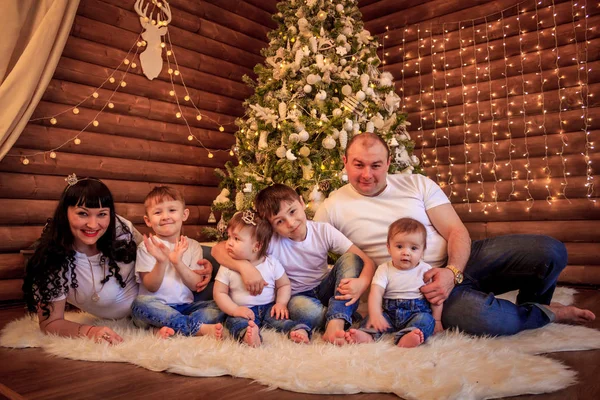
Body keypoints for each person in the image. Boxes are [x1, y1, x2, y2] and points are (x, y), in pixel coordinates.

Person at [314, 132, 595, 336]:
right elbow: (309, 256)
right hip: (420, 290)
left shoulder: (416, 184)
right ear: (345, 161)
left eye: (375, 165)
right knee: (491, 321)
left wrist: (452, 272)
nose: (367, 174)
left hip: (460, 261)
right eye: (358, 164)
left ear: (388, 162)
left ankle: (534, 302)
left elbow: (455, 230)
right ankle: (547, 313)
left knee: (550, 251)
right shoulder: (332, 207)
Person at [212, 184, 376, 345]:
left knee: (351, 259)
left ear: (301, 202)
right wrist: (244, 267)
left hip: (326, 288)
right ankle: (342, 315)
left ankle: (336, 323)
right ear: (271, 226)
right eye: (279, 221)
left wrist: (362, 283)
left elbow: (366, 261)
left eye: (292, 211)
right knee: (300, 309)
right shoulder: (271, 241)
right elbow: (217, 250)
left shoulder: (323, 231)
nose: (290, 223)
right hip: (298, 296)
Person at [23, 175, 140, 345]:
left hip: (167, 300)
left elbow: (155, 252)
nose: (93, 225)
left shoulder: (119, 229)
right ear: (65, 213)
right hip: (138, 318)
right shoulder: (51, 260)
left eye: (102, 214)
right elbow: (50, 322)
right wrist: (91, 332)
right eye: (82, 213)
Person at [131, 186, 224, 338]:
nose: (165, 216)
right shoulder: (147, 246)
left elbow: (196, 285)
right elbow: (151, 286)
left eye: (172, 210)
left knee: (218, 306)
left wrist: (177, 262)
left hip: (185, 307)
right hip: (156, 307)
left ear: (184, 214)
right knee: (140, 304)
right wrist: (161, 261)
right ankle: (195, 328)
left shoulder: (192, 246)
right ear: (148, 220)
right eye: (158, 212)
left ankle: (165, 328)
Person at [213, 211, 311, 347]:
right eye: (229, 237)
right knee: (235, 323)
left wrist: (281, 303)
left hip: (269, 308)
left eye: (236, 239)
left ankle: (298, 330)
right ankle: (249, 335)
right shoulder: (228, 266)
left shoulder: (271, 263)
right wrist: (234, 310)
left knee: (282, 320)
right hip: (242, 310)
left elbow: (283, 285)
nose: (228, 243)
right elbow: (219, 293)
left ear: (257, 246)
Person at [346, 218, 442, 347]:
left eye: (413, 248)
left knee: (426, 320)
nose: (406, 252)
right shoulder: (384, 269)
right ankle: (367, 335)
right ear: (389, 248)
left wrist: (437, 319)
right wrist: (375, 313)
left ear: (422, 251)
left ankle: (408, 335)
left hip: (417, 313)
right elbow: (376, 293)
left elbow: (435, 298)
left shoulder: (426, 270)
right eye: (399, 246)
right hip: (389, 314)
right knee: (371, 320)